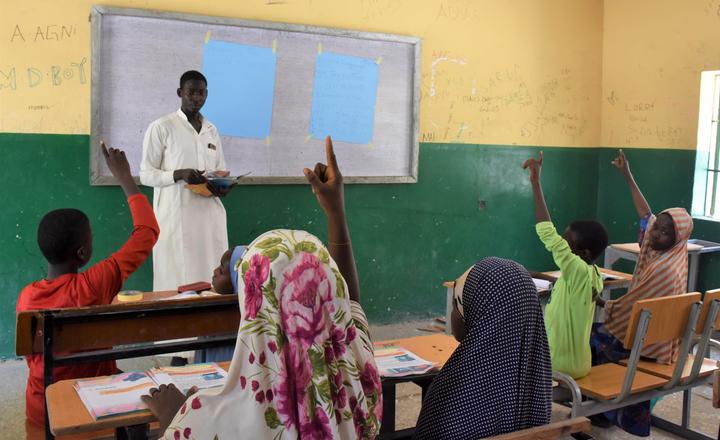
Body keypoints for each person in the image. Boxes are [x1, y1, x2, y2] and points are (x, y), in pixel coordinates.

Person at [142, 136, 383, 439]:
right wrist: (336, 212)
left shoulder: (223, 419)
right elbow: (352, 310)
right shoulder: (361, 387)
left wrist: (173, 417)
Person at [17, 143, 159, 427]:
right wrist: (124, 178)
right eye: (92, 236)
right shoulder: (95, 285)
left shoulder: (26, 298)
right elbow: (147, 231)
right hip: (95, 404)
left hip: (42, 410)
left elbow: (34, 360)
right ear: (82, 253)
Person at [590, 149, 693, 436]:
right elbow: (647, 216)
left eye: (664, 233)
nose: (655, 234)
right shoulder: (676, 254)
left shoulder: (664, 270)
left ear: (678, 237)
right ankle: (607, 408)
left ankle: (602, 409)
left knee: (593, 338)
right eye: (657, 229)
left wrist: (602, 302)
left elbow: (629, 309)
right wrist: (627, 176)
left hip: (646, 342)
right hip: (662, 335)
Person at [414, 257, 552, 439]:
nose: (453, 311)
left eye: (457, 302)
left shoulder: (450, 399)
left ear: (478, 312)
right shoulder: (537, 386)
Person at [140, 70, 232, 292]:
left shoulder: (211, 130)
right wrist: (178, 174)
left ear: (206, 95)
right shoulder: (162, 127)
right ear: (180, 92)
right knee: (177, 281)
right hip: (177, 218)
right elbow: (145, 174)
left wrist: (222, 186)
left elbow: (220, 170)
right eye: (191, 92)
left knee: (211, 277)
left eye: (201, 93)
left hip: (208, 218)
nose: (196, 98)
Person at [522, 151, 608, 379]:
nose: (561, 242)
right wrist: (542, 275)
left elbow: (547, 233)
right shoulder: (594, 273)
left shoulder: (577, 269)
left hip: (556, 364)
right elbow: (572, 289)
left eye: (566, 241)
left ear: (582, 252)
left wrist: (536, 183)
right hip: (580, 362)